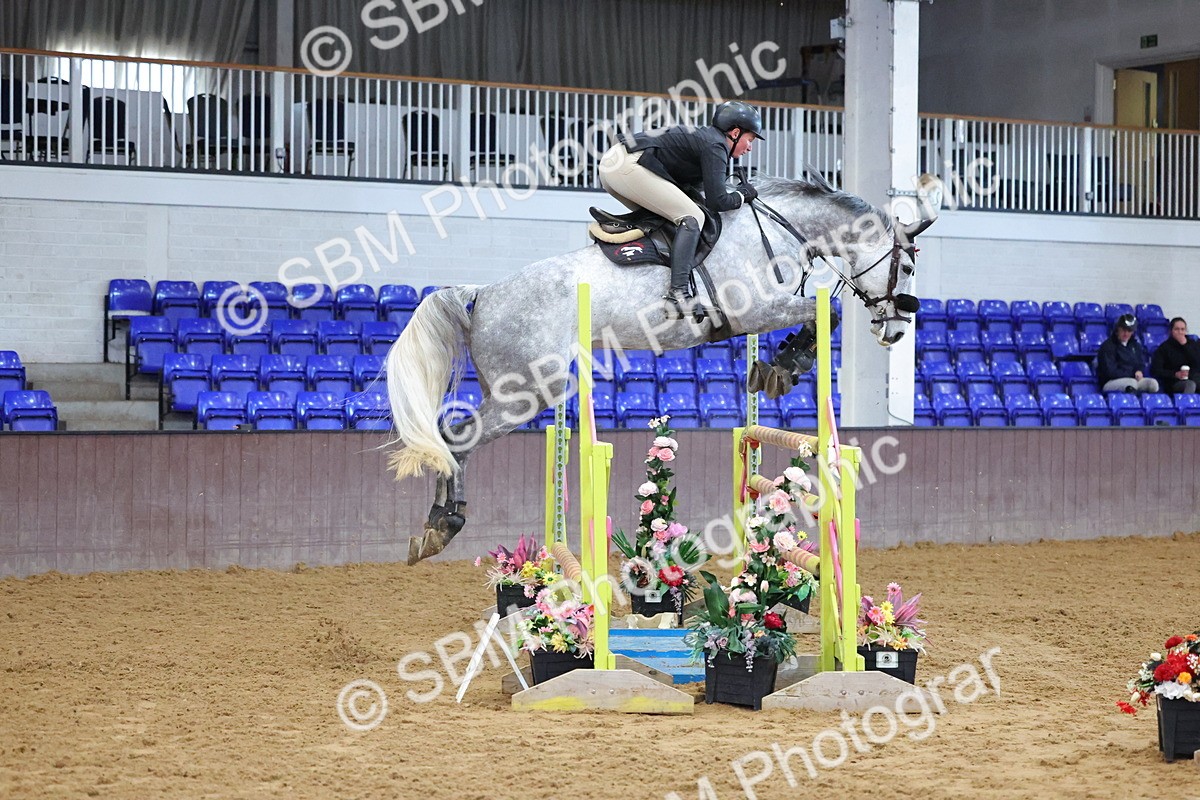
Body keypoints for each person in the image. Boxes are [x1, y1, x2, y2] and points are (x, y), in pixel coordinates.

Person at [598, 100, 763, 311]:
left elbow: (700, 192)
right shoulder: (716, 145)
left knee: (676, 215)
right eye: (750, 140)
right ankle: (678, 295)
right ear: (735, 132)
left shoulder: (708, 140)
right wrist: (743, 194)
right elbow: (718, 201)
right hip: (626, 165)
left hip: (614, 164)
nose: (750, 147)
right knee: (692, 218)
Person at [1096, 313, 1159, 393]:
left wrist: (1139, 370)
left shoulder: (1135, 346)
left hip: (1133, 379)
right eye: (1123, 330)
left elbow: (1140, 363)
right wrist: (1132, 373)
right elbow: (1110, 371)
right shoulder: (1108, 346)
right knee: (1131, 383)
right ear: (1118, 329)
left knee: (1153, 384)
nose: (1126, 334)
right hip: (1111, 381)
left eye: (1129, 331)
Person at [1150, 317, 1200, 394]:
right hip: (1174, 381)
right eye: (1177, 329)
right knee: (1190, 385)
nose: (1180, 332)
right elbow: (1157, 370)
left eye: (1182, 329)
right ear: (1171, 331)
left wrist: (1185, 346)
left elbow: (1197, 362)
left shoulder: (1192, 344)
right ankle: (1186, 404)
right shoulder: (1164, 348)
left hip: (1193, 377)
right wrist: (1175, 374)